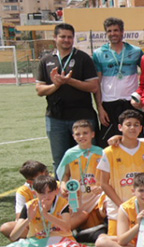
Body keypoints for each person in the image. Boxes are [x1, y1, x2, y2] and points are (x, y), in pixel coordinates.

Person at [36, 23, 99, 169]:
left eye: (70, 37)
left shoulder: (83, 58)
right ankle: (62, 184)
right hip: (55, 117)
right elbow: (39, 90)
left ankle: (90, 184)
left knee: (88, 157)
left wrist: (70, 81)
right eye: (62, 36)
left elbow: (93, 86)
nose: (66, 40)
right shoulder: (46, 60)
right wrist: (56, 85)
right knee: (59, 159)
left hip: (82, 116)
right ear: (55, 37)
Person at [0, 175, 69, 247]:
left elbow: (67, 227)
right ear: (34, 193)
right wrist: (28, 219)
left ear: (56, 191)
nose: (46, 196)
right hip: (35, 241)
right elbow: (13, 236)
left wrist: (46, 215)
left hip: (60, 241)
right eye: (42, 193)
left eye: (49, 192)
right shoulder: (29, 206)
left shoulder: (63, 204)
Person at [96, 109, 144, 220]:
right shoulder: (109, 152)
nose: (132, 128)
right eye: (128, 125)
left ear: (141, 128)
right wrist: (122, 206)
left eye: (136, 125)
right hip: (117, 210)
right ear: (120, 127)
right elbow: (104, 183)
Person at [92, 17, 144, 142]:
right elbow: (97, 83)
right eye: (109, 31)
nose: (113, 33)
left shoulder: (136, 51)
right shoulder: (99, 53)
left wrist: (142, 96)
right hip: (109, 104)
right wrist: (100, 107)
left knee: (135, 140)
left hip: (131, 103)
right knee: (109, 143)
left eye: (116, 30)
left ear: (122, 32)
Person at [55, 119, 105, 241]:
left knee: (106, 205)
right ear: (73, 136)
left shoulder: (101, 152)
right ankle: (61, 231)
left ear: (92, 134)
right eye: (78, 134)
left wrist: (102, 186)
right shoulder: (70, 154)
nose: (81, 136)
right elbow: (65, 175)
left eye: (85, 133)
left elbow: (108, 175)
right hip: (77, 194)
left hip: (96, 194)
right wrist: (63, 185)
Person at [1, 161, 49, 241]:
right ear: (30, 182)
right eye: (42, 177)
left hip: (54, 221)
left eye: (47, 173)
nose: (47, 178)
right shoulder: (23, 191)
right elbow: (19, 218)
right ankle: (33, 240)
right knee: (6, 228)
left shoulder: (55, 185)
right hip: (34, 224)